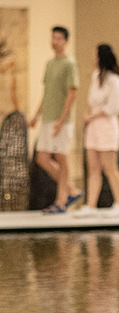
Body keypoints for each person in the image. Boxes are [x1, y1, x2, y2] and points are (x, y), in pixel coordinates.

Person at [30, 26, 81, 214]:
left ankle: (61, 201)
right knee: (42, 157)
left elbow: (71, 93)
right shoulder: (50, 64)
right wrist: (36, 115)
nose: (55, 41)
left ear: (66, 41)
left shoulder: (70, 64)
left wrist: (62, 119)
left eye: (59, 38)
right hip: (47, 118)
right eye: (53, 38)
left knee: (61, 157)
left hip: (62, 120)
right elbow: (47, 93)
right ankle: (71, 189)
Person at [75, 43, 119, 214]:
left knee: (110, 167)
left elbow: (113, 107)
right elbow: (92, 102)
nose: (93, 58)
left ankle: (118, 202)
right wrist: (88, 116)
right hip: (93, 127)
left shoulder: (114, 80)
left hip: (107, 126)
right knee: (93, 167)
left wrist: (94, 115)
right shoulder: (95, 76)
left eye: (95, 55)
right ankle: (91, 205)